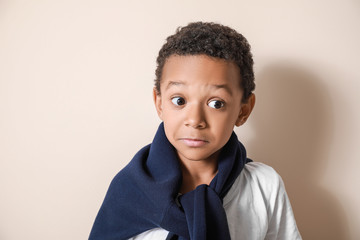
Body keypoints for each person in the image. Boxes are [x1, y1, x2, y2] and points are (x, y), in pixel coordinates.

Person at [89, 22, 302, 240]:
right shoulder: (128, 190)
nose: (195, 120)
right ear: (159, 103)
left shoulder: (264, 186)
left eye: (216, 103)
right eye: (179, 100)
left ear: (243, 111)